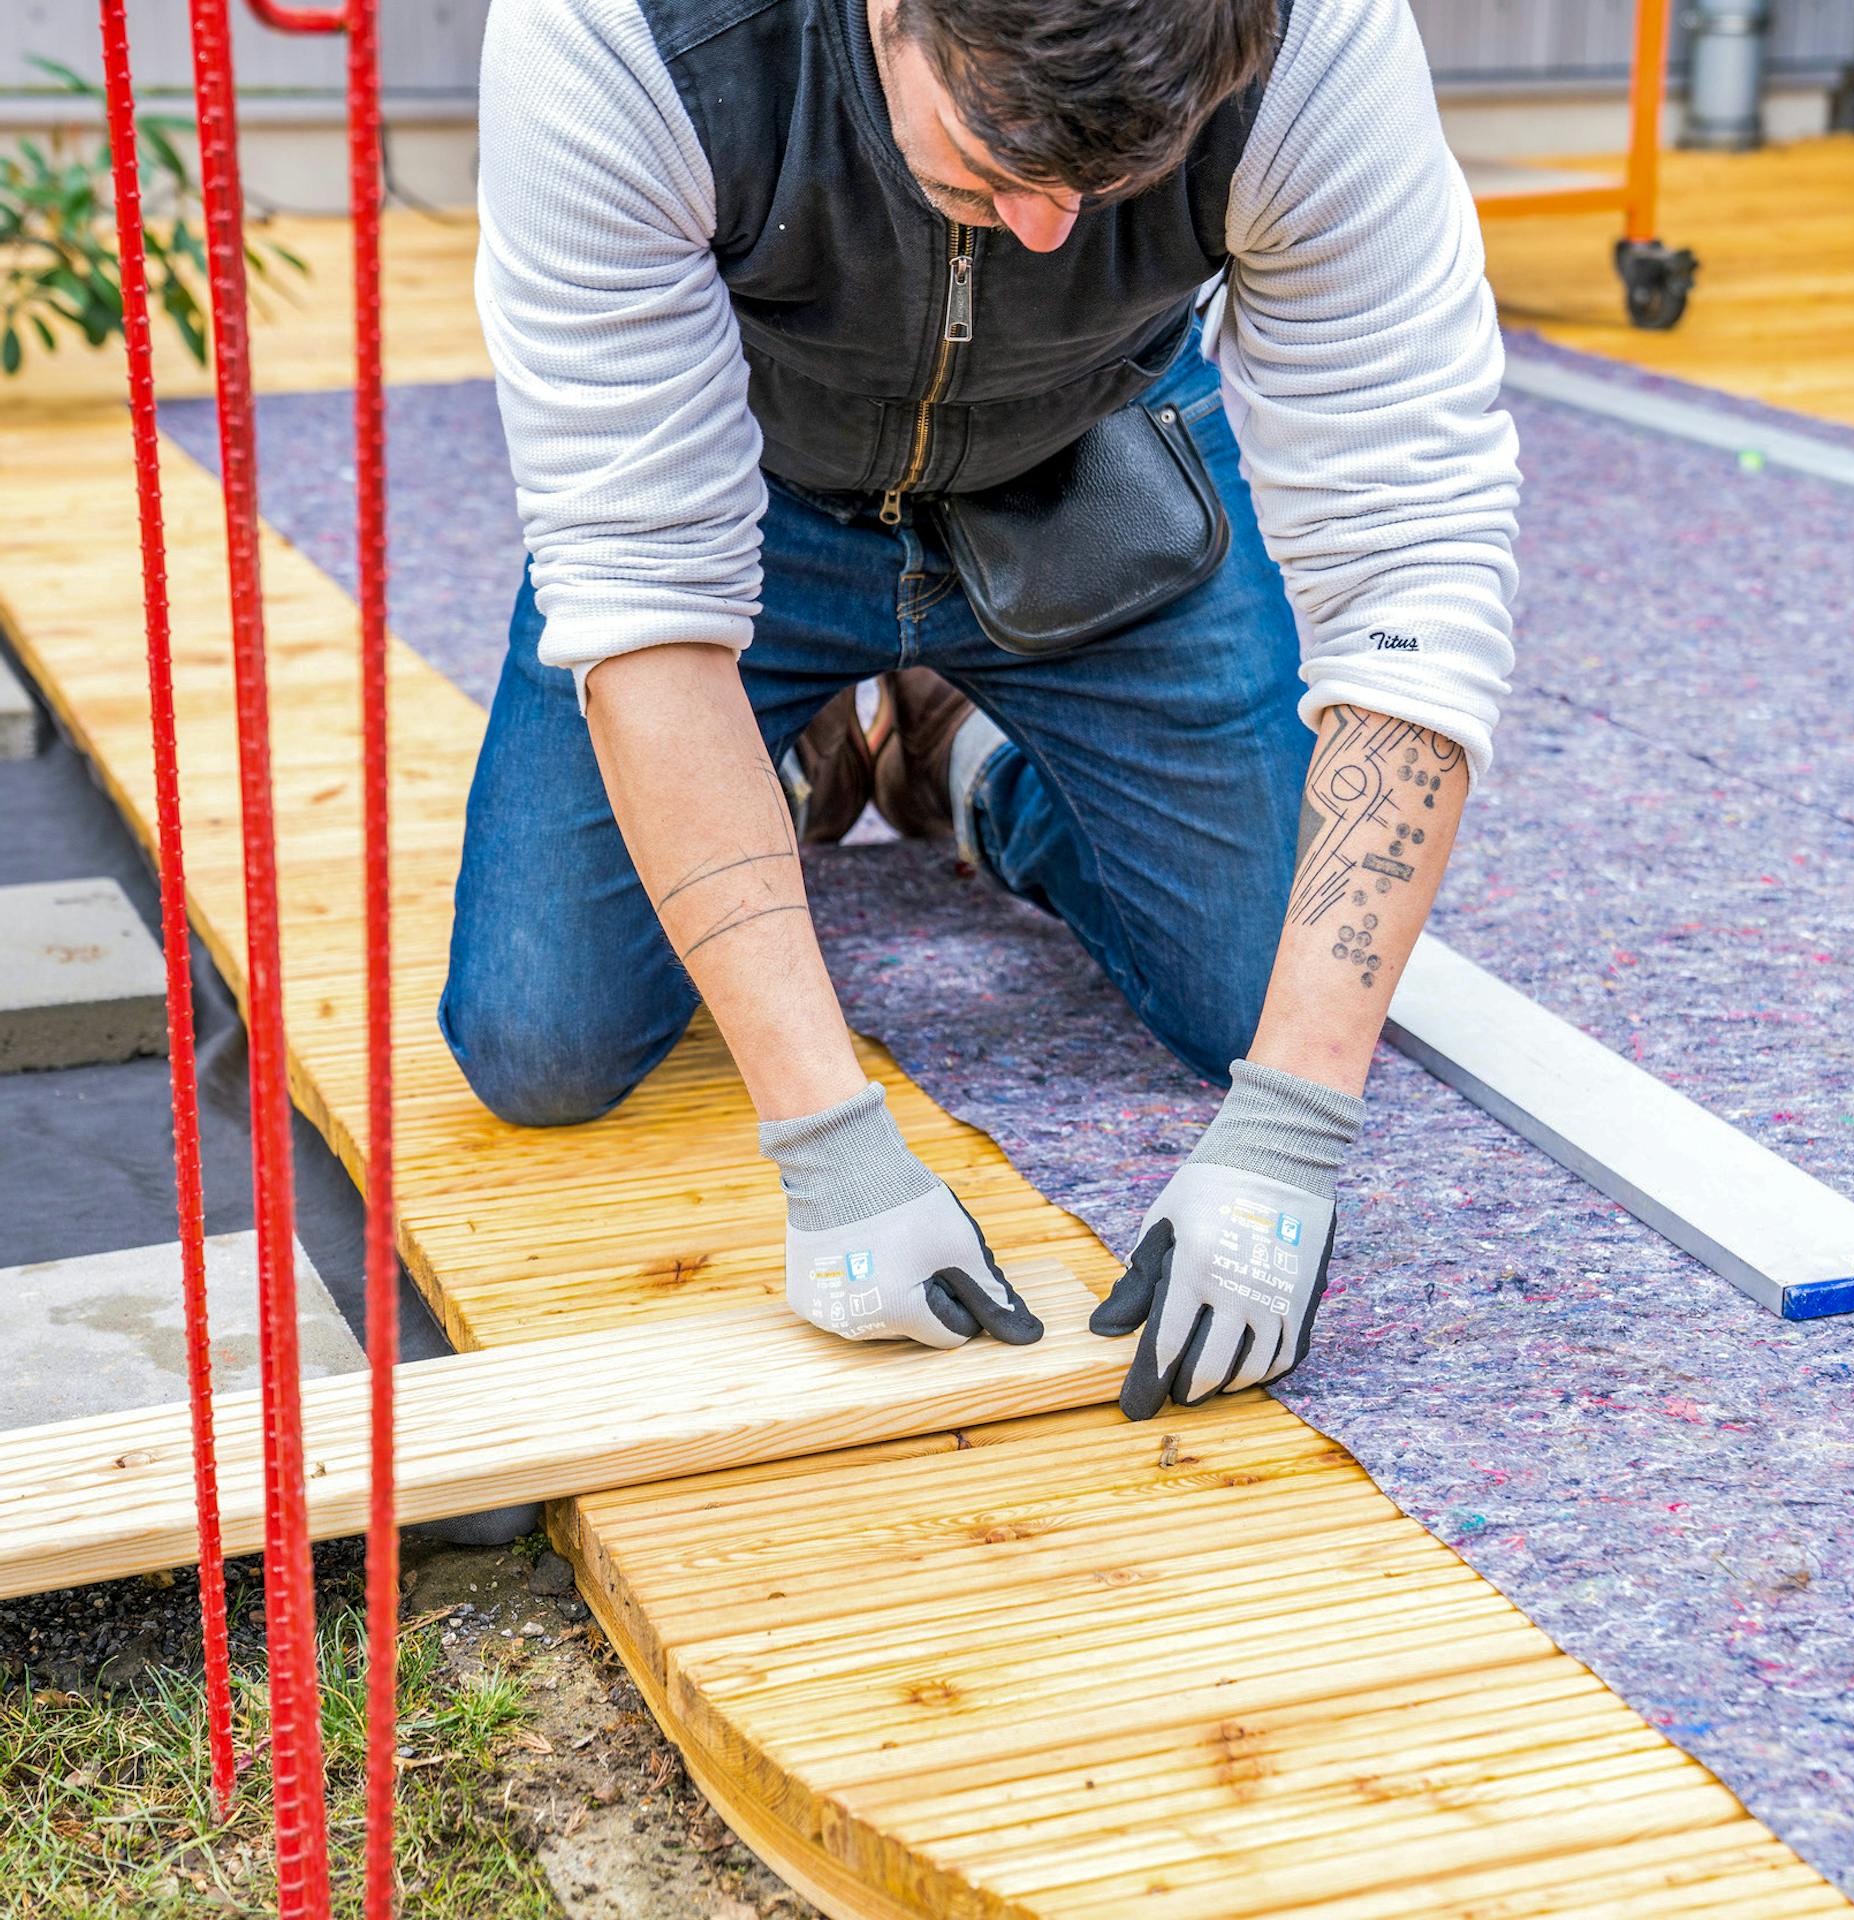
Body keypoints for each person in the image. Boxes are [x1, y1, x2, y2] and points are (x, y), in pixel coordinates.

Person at [442, 0, 1520, 1417]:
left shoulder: (1313, 39)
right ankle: (777, 745)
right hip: (740, 497)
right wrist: (830, 1150)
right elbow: (641, 592)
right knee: (542, 1045)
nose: (1050, 231)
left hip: (1092, 478)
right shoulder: (622, 35)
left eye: (1110, 180)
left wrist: (1292, 1134)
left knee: (1251, 1007)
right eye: (994, 163)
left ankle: (954, 757)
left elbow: (1416, 546)